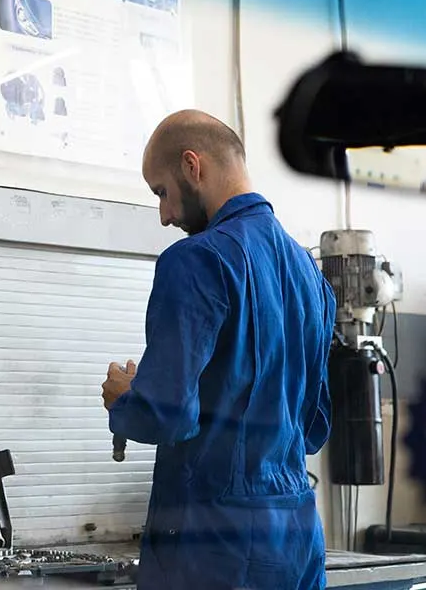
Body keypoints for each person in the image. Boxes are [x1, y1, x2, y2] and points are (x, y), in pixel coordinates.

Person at [101, 110, 336, 589]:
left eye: (161, 192)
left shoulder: (196, 260)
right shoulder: (310, 273)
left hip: (213, 545)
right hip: (296, 536)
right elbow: (315, 427)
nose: (164, 215)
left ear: (193, 166)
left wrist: (127, 397)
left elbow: (166, 414)